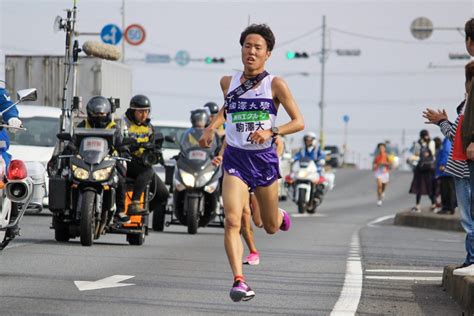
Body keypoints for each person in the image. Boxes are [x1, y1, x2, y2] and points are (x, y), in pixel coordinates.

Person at [199, 23, 304, 302]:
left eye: (258, 48)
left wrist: (272, 131)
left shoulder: (276, 85)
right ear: (241, 49)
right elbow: (228, 109)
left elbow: (299, 121)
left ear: (268, 53)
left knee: (267, 226)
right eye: (247, 46)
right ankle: (239, 281)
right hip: (235, 157)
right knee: (232, 220)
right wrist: (211, 128)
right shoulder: (227, 82)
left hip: (264, 159)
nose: (251, 52)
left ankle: (279, 216)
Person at [422, 59, 474, 276]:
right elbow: (459, 135)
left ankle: (472, 260)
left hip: (465, 167)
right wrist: (443, 121)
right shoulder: (465, 106)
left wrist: (442, 122)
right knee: (468, 216)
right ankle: (470, 259)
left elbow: (458, 136)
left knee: (469, 217)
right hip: (461, 167)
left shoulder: (468, 106)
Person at [76, 96, 128, 222]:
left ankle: (120, 211)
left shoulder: (113, 127)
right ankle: (66, 210)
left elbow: (121, 144)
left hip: (108, 162)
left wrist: (125, 151)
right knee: (66, 177)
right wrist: (70, 148)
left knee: (120, 179)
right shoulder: (83, 125)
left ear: (108, 113)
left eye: (102, 113)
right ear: (90, 113)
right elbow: (74, 141)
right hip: (85, 161)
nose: (99, 116)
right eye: (96, 113)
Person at [123, 94, 170, 217]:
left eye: (146, 111)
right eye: (140, 112)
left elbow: (154, 144)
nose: (144, 115)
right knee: (148, 171)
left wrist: (157, 150)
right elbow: (118, 143)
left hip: (143, 163)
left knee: (163, 193)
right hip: (126, 161)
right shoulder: (123, 124)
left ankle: (141, 213)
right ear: (133, 111)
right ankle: (134, 203)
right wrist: (133, 145)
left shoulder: (149, 127)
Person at [408, 130, 437, 212]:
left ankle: (418, 206)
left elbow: (415, 154)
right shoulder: (432, 142)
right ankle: (433, 204)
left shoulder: (418, 143)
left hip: (421, 169)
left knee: (419, 187)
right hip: (430, 168)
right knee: (430, 187)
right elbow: (433, 154)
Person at [435, 137, 456, 214]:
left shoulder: (447, 140)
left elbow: (447, 153)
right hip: (449, 170)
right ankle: (451, 207)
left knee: (446, 190)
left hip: (445, 170)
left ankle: (447, 208)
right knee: (450, 189)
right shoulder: (449, 139)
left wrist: (443, 164)